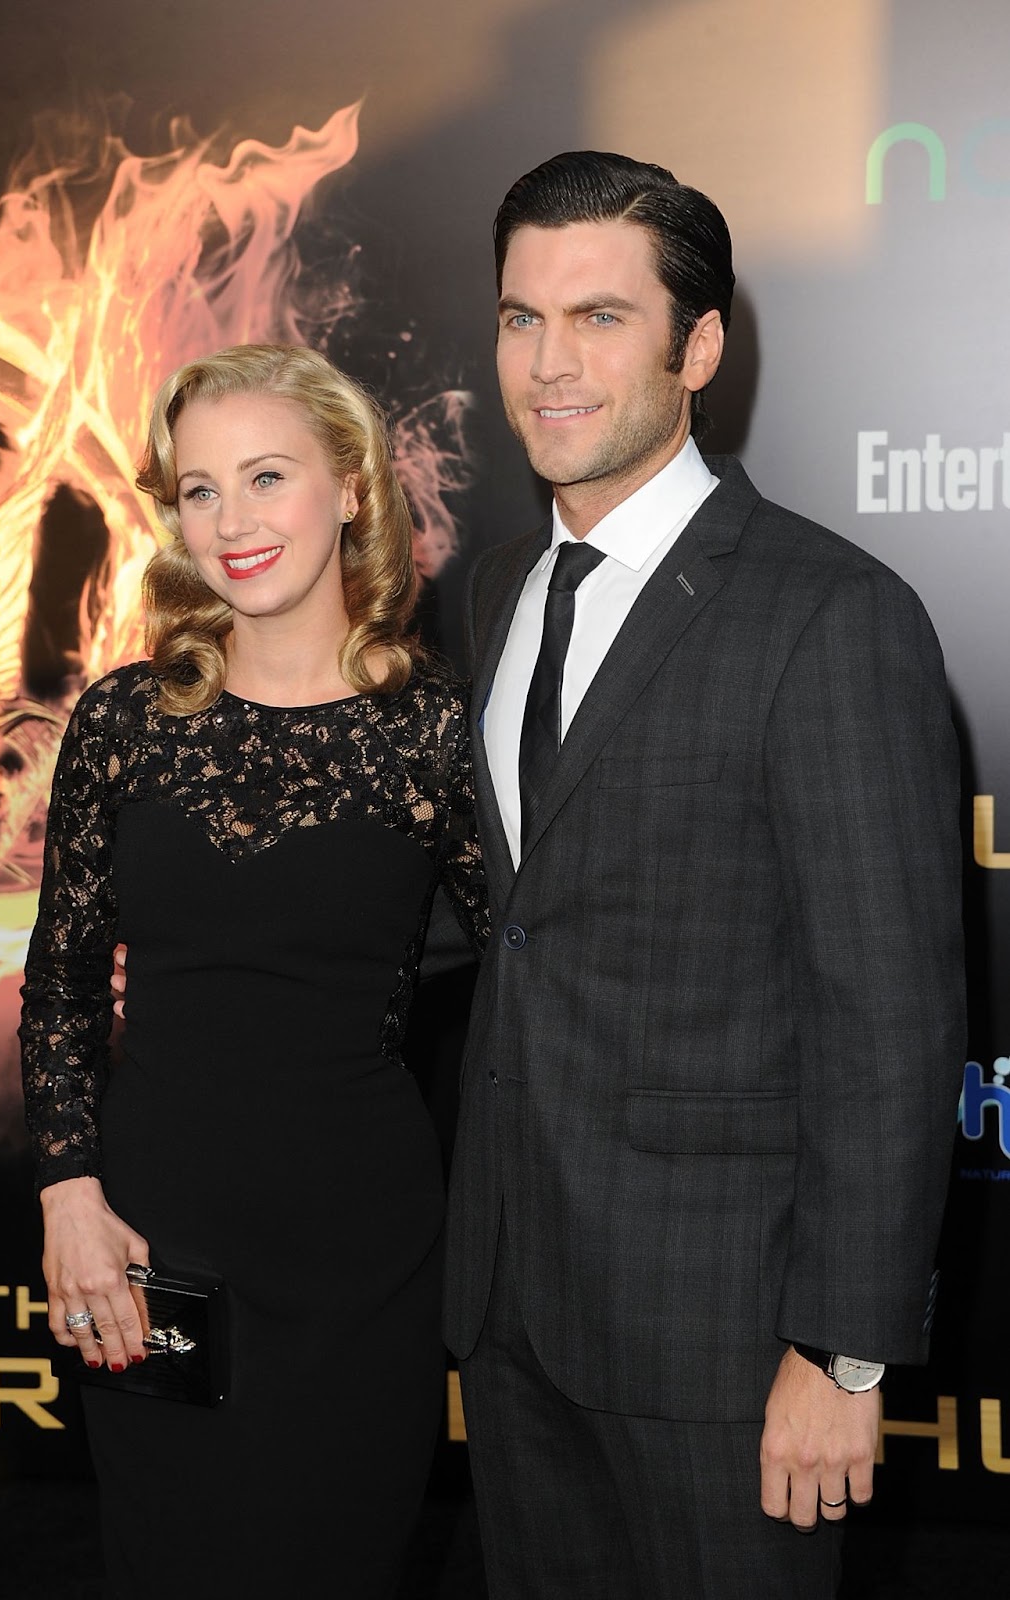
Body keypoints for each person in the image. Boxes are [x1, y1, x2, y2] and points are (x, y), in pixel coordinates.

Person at [441, 151, 965, 1598]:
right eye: (519, 318)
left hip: (725, 1339)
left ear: (700, 347)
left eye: (599, 318)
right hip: (510, 1309)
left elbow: (888, 1021)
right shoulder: (489, 593)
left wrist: (841, 1351)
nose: (547, 366)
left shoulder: (830, 616)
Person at [19, 342, 487, 1599]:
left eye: (265, 477)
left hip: (363, 1264)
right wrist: (70, 1192)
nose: (229, 522)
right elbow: (60, 981)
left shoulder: (436, 734)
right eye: (198, 489)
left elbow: (534, 975)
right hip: (149, 1249)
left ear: (350, 489)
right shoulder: (123, 723)